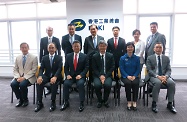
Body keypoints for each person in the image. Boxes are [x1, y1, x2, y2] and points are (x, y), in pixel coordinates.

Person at [146, 42, 177, 114]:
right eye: (157, 47)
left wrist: (165, 76)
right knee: (157, 83)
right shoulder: (150, 58)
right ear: (154, 49)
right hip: (154, 76)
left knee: (172, 83)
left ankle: (170, 104)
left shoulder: (166, 58)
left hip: (164, 76)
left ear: (162, 49)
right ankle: (154, 103)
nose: (158, 49)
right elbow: (149, 70)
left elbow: (169, 70)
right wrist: (158, 76)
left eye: (160, 47)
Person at [60, 41, 89, 112]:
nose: (76, 47)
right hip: (71, 76)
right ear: (72, 48)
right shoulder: (68, 56)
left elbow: (86, 68)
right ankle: (66, 102)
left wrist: (81, 75)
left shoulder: (84, 56)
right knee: (66, 84)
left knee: (81, 84)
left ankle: (82, 102)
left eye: (77, 46)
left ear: (80, 47)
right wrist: (67, 75)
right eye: (74, 46)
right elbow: (66, 67)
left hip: (80, 76)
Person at [35, 43, 62, 112]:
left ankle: (53, 102)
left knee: (53, 83)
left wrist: (55, 77)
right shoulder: (44, 57)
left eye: (53, 48)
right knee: (39, 82)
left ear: (55, 49)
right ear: (47, 49)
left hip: (56, 76)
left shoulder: (59, 57)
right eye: (50, 48)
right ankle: (39, 102)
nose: (51, 49)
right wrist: (40, 76)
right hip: (47, 75)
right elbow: (41, 68)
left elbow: (59, 68)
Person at [11, 42, 38, 107]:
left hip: (29, 77)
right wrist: (17, 77)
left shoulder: (34, 57)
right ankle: (20, 99)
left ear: (28, 48)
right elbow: (15, 69)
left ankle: (25, 100)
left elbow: (34, 70)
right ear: (20, 49)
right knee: (13, 84)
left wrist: (24, 77)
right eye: (22, 48)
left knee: (22, 85)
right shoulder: (18, 57)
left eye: (25, 47)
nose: (24, 49)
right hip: (19, 76)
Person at [92, 40, 115, 108]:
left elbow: (112, 67)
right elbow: (94, 68)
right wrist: (100, 76)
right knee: (97, 85)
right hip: (97, 75)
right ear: (98, 47)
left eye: (103, 46)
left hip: (107, 75)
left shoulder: (110, 56)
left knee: (107, 85)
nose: (102, 47)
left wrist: (105, 76)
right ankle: (99, 100)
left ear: (106, 47)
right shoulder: (95, 56)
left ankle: (105, 100)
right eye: (100, 46)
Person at [39, 26, 61, 95]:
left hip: (55, 58)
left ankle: (55, 89)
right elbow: (41, 50)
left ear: (52, 31)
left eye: (51, 30)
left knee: (54, 73)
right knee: (47, 73)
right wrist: (41, 59)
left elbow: (59, 49)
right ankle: (49, 89)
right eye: (48, 30)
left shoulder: (56, 39)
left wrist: (59, 57)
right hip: (46, 59)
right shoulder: (43, 39)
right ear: (46, 31)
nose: (49, 32)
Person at [119, 42, 140, 111]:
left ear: (133, 48)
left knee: (135, 83)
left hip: (135, 76)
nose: (130, 48)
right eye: (128, 47)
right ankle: (128, 101)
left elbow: (138, 69)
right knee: (128, 83)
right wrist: (127, 76)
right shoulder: (122, 58)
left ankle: (134, 101)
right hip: (125, 77)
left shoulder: (137, 58)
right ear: (126, 48)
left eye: (131, 47)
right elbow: (121, 68)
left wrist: (134, 76)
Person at [84, 24, 104, 89]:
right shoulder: (87, 39)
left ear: (97, 29)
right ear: (90, 30)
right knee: (91, 75)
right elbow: (85, 50)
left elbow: (103, 49)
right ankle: (90, 89)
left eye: (94, 29)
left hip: (99, 59)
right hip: (90, 60)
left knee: (98, 73)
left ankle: (98, 86)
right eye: (91, 29)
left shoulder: (101, 38)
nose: (93, 30)